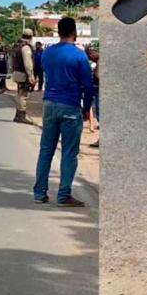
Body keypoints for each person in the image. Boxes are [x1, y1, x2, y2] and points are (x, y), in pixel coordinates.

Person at [33, 17, 94, 207]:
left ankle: (39, 193)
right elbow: (87, 85)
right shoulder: (79, 55)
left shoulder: (47, 53)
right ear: (74, 32)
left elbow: (44, 72)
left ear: (58, 32)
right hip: (70, 106)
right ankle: (63, 194)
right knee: (69, 152)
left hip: (49, 104)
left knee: (46, 150)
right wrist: (86, 110)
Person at [11, 28, 37, 125]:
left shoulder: (16, 45)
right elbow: (28, 64)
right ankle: (21, 116)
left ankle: (18, 114)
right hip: (23, 73)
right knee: (23, 95)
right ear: (31, 37)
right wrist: (31, 76)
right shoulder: (26, 47)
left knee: (19, 93)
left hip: (16, 72)